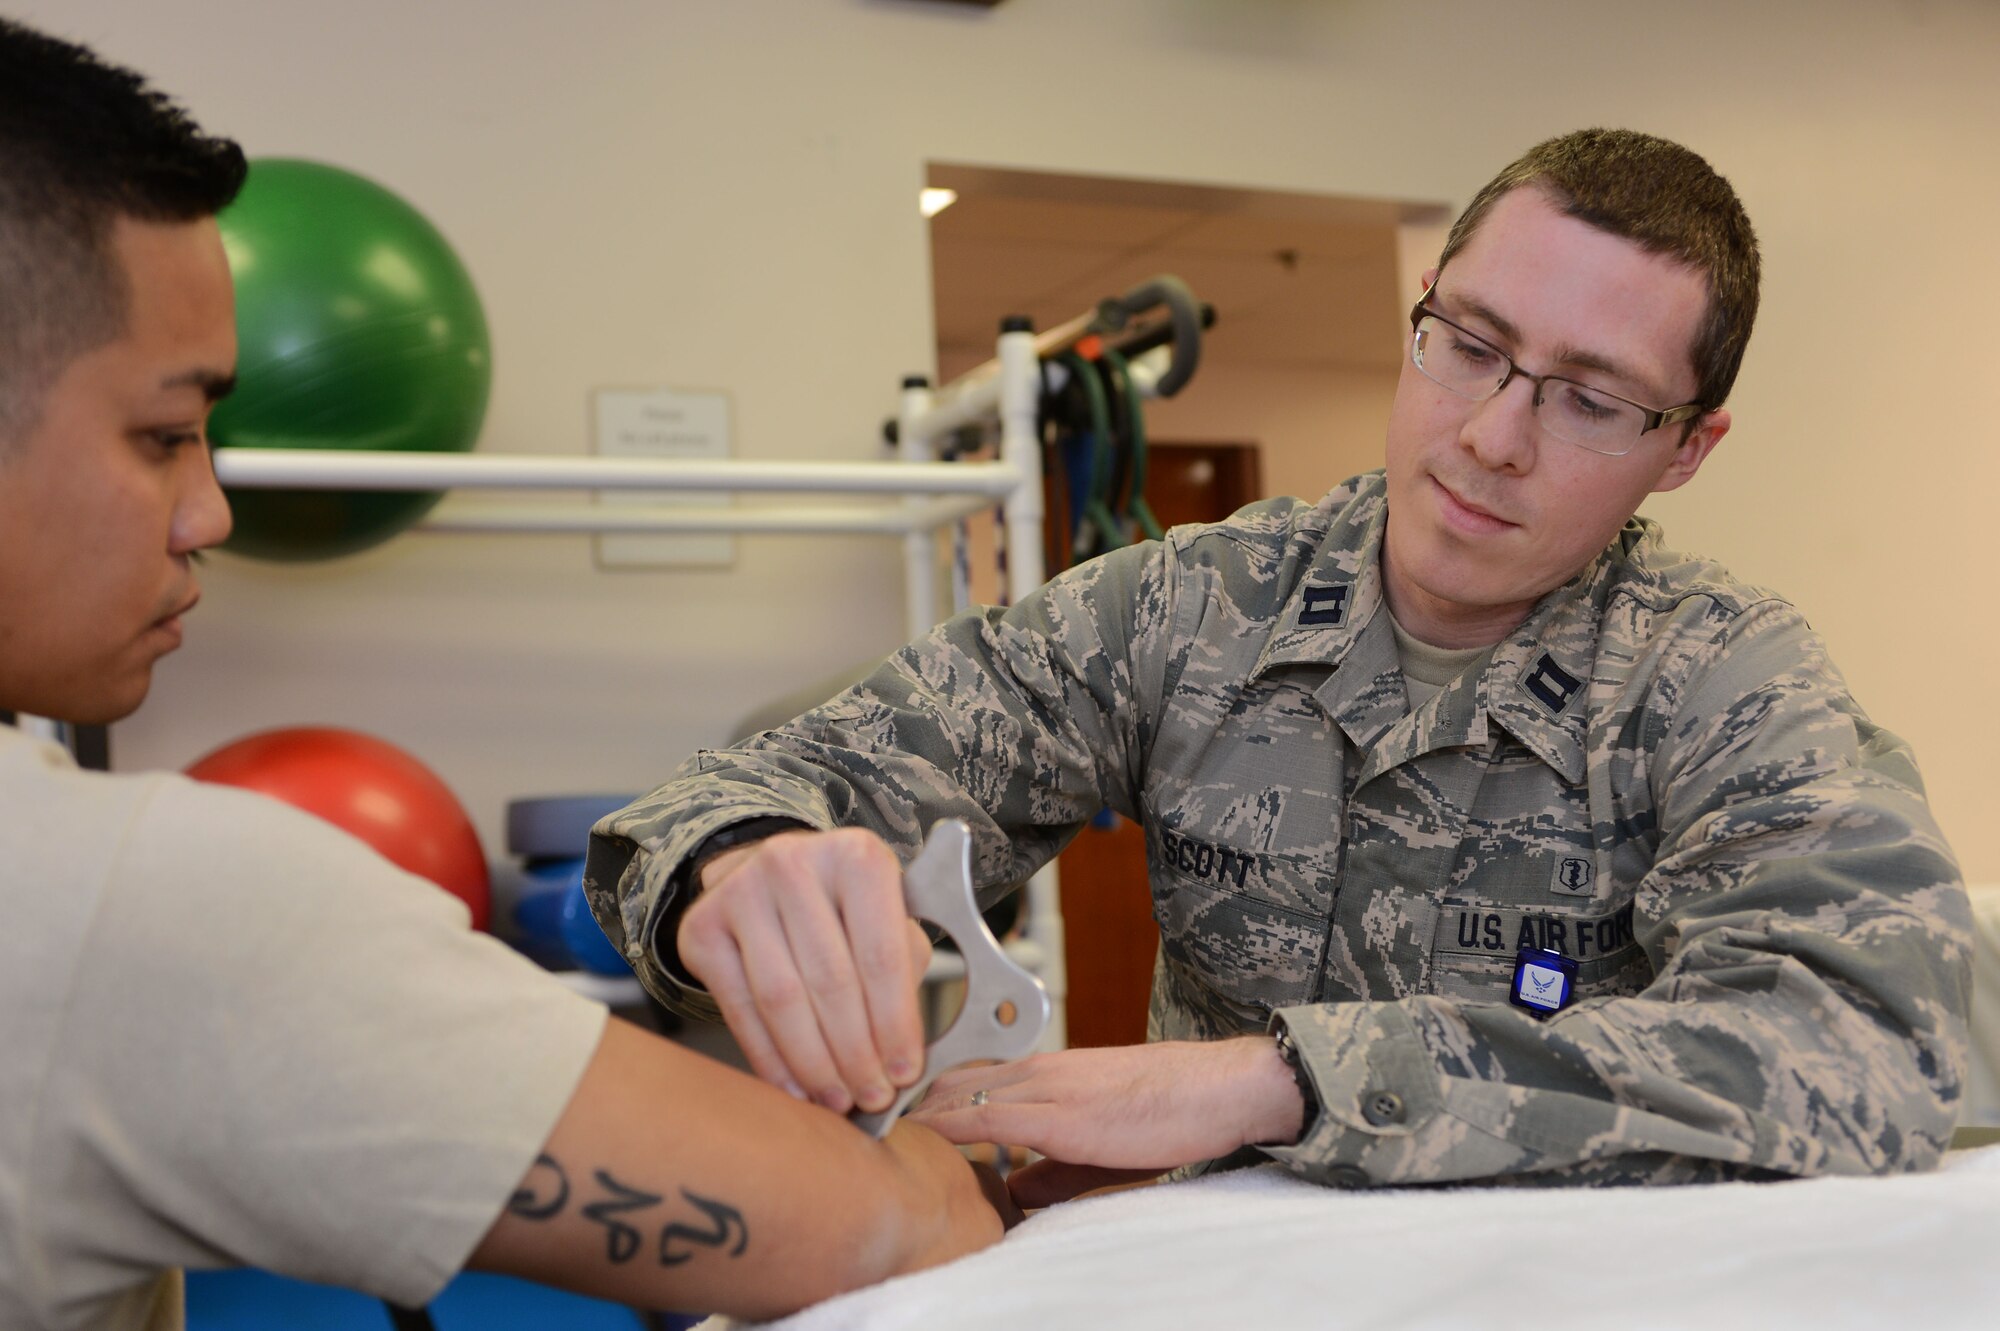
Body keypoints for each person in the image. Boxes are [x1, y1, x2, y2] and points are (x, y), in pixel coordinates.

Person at [586, 128, 1974, 1204]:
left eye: (1593, 399)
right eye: (1470, 346)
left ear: (1687, 447)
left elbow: (1871, 1050)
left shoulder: (1724, 680)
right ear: (1421, 314)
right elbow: (755, 785)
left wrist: (1280, 1085)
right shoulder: (1194, 610)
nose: (1494, 434)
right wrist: (739, 862)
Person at [0, 18, 1011, 1331]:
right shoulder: (128, 901)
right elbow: (894, 1227)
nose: (209, 514)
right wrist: (956, 1150)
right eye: (165, 433)